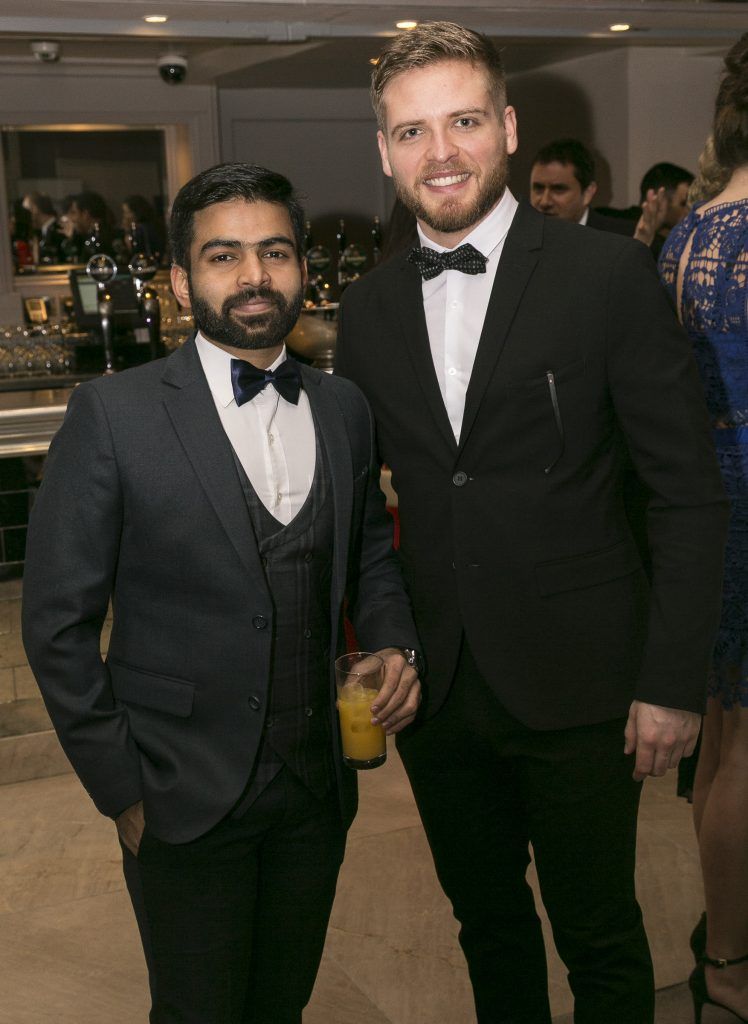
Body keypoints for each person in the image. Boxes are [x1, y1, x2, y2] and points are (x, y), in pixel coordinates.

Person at [335, 21, 729, 1024]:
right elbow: (372, 509)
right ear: (384, 151)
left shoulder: (606, 276)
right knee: (485, 925)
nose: (441, 152)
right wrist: (381, 636)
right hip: (439, 683)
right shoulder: (370, 309)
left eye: (463, 121)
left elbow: (683, 491)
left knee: (598, 930)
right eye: (412, 132)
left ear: (505, 127)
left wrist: (668, 680)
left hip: (584, 678)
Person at [21, 161, 421, 1024]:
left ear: (303, 270)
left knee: (281, 1003)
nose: (253, 277)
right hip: (177, 792)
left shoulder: (345, 406)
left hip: (317, 789)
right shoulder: (114, 414)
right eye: (223, 256)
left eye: (274, 253)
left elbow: (371, 555)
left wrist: (391, 645)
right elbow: (56, 623)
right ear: (179, 278)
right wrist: (122, 787)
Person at [658, 32, 748, 1024]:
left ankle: (722, 936)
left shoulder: (688, 232)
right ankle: (728, 957)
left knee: (723, 739)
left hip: (710, 504)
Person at [529, 137, 634, 234]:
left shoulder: (620, 238)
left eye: (558, 189)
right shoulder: (521, 236)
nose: (545, 202)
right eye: (538, 188)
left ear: (588, 193)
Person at [21, 190, 65, 264]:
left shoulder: (59, 230)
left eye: (26, 211)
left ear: (35, 209)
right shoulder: (43, 232)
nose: (23, 217)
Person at [121, 193, 165, 262]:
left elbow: (135, 251)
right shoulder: (150, 225)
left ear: (137, 212)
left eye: (128, 212)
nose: (125, 216)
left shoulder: (143, 229)